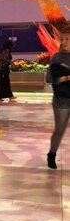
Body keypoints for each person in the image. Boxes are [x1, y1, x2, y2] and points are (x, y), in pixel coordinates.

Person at [47, 26, 70, 169]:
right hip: (62, 99)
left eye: (67, 39)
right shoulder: (56, 57)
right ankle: (52, 154)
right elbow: (49, 78)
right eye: (62, 39)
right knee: (59, 130)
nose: (64, 41)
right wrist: (67, 77)